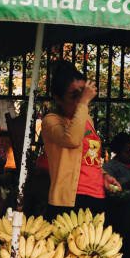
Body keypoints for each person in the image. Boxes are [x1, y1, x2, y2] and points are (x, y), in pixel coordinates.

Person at [40, 62, 120, 219]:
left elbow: (90, 157)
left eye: (83, 94)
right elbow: (72, 140)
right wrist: (83, 104)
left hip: (96, 196)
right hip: (70, 200)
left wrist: (103, 175)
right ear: (58, 99)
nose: (82, 100)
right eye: (75, 96)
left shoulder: (87, 119)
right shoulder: (51, 121)